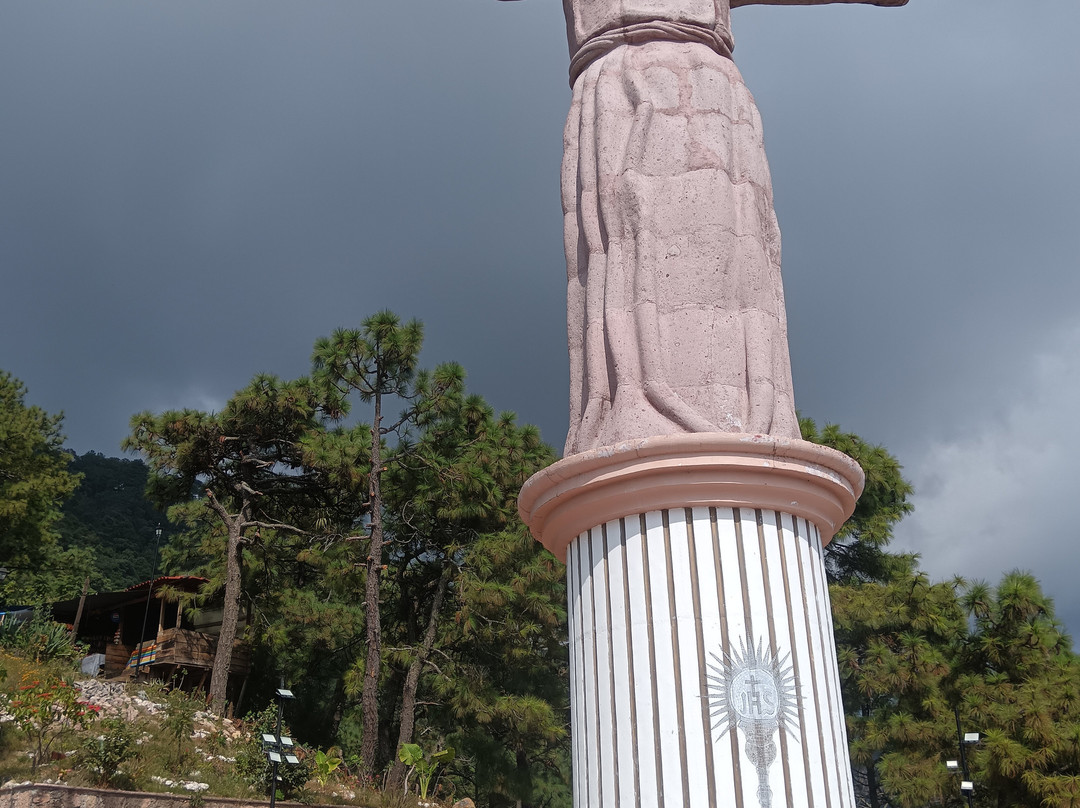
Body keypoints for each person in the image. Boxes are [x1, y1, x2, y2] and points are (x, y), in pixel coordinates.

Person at [502, 0, 906, 454]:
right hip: (622, 83)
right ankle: (644, 411)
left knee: (741, 257)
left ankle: (753, 420)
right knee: (630, 242)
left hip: (712, 87)